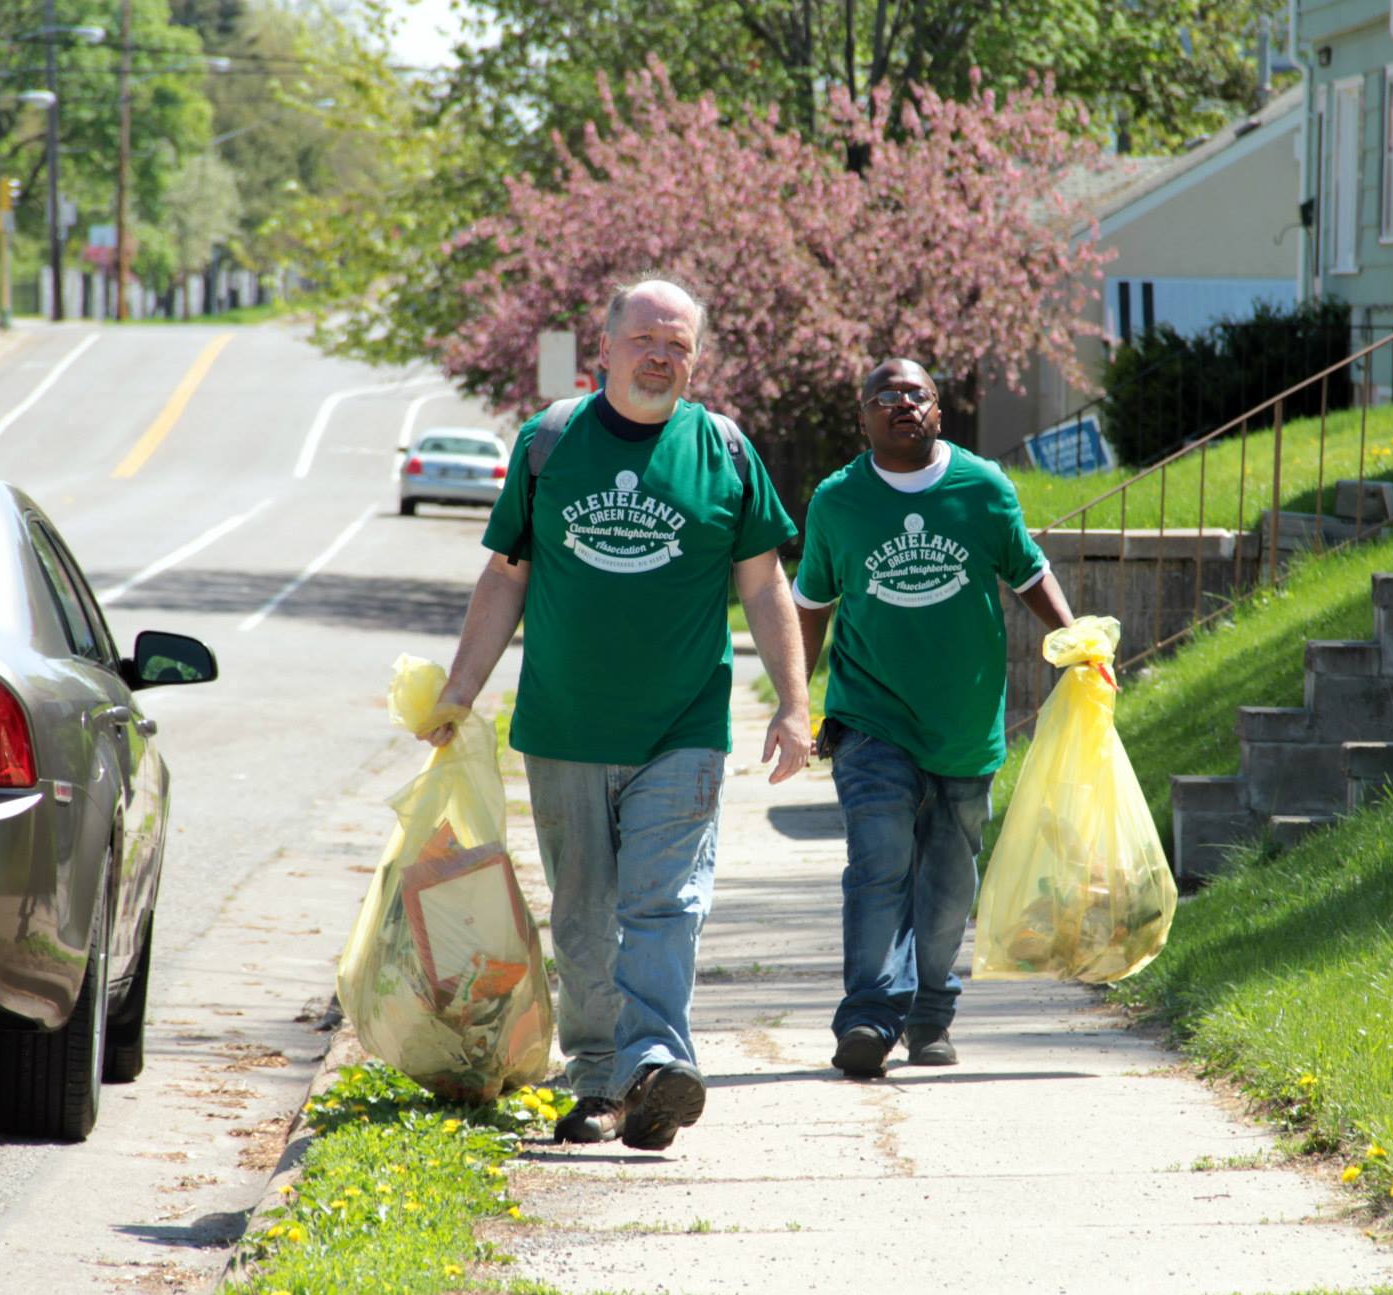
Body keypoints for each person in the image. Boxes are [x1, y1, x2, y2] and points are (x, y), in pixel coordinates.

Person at [425, 277, 812, 1149]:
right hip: (564, 727)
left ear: (697, 358)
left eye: (678, 344)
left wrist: (795, 704)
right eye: (645, 339)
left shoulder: (725, 452)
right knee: (584, 914)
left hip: (682, 728)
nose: (660, 356)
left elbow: (763, 582)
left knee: (666, 904)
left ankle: (656, 1065)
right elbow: (505, 577)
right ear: (605, 347)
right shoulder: (550, 442)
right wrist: (460, 691)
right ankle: (600, 1082)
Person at [793, 358, 1073, 1078]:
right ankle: (866, 1015)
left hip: (963, 725)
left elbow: (1028, 571)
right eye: (883, 397)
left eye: (915, 394)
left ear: (940, 412)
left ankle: (930, 1014)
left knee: (948, 883)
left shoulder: (982, 488)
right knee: (879, 862)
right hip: (869, 717)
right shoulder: (837, 501)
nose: (901, 405)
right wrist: (797, 705)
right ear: (862, 417)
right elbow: (813, 606)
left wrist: (1072, 647)